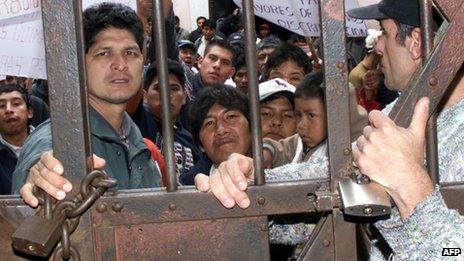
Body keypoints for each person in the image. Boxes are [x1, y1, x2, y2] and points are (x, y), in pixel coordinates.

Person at [196, 0, 464, 259]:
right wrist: (253, 182)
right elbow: (336, 172)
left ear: (416, 43)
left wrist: (411, 189)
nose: (377, 45)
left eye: (384, 32)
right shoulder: (400, 112)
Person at [12, 3, 163, 207]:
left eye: (130, 53)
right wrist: (40, 176)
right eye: (104, 53)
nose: (121, 64)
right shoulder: (59, 140)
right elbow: (41, 167)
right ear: (78, 64)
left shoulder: (139, 144)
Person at [130, 59, 201, 179]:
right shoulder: (138, 122)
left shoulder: (189, 138)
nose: (167, 94)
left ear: (184, 96)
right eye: (158, 88)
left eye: (174, 88)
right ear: (145, 96)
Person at [179, 84, 250, 185]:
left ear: (252, 127)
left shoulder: (277, 168)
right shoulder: (187, 189)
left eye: (230, 117)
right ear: (201, 145)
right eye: (209, 123)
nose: (221, 130)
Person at [0, 84, 33, 195]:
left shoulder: (50, 144)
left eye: (16, 104)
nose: (8, 110)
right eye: (1, 106)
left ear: (29, 112)